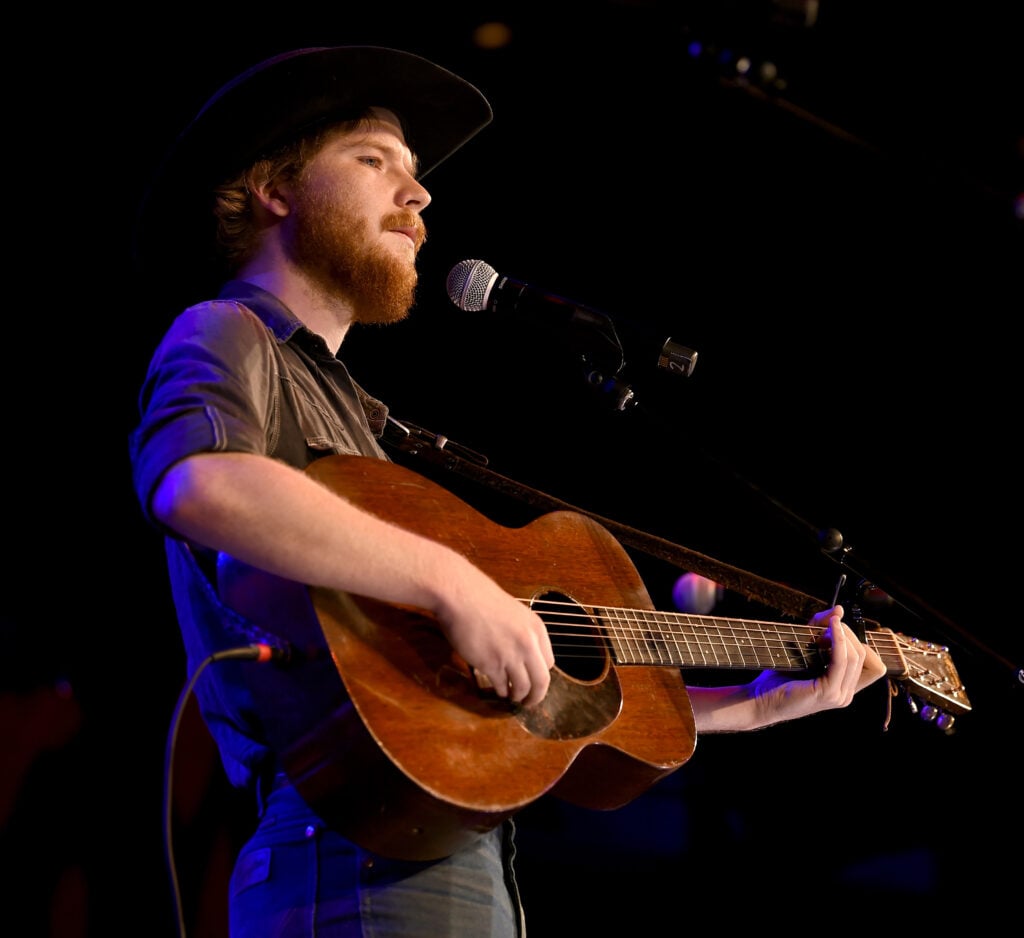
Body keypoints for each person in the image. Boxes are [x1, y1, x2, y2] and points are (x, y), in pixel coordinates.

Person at [128, 45, 888, 938]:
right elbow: (200, 483)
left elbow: (508, 707)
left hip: (437, 853)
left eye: (418, 177)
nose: (419, 198)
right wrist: (454, 584)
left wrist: (754, 703)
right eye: (376, 162)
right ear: (274, 189)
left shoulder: (371, 428)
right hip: (349, 853)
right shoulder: (225, 331)